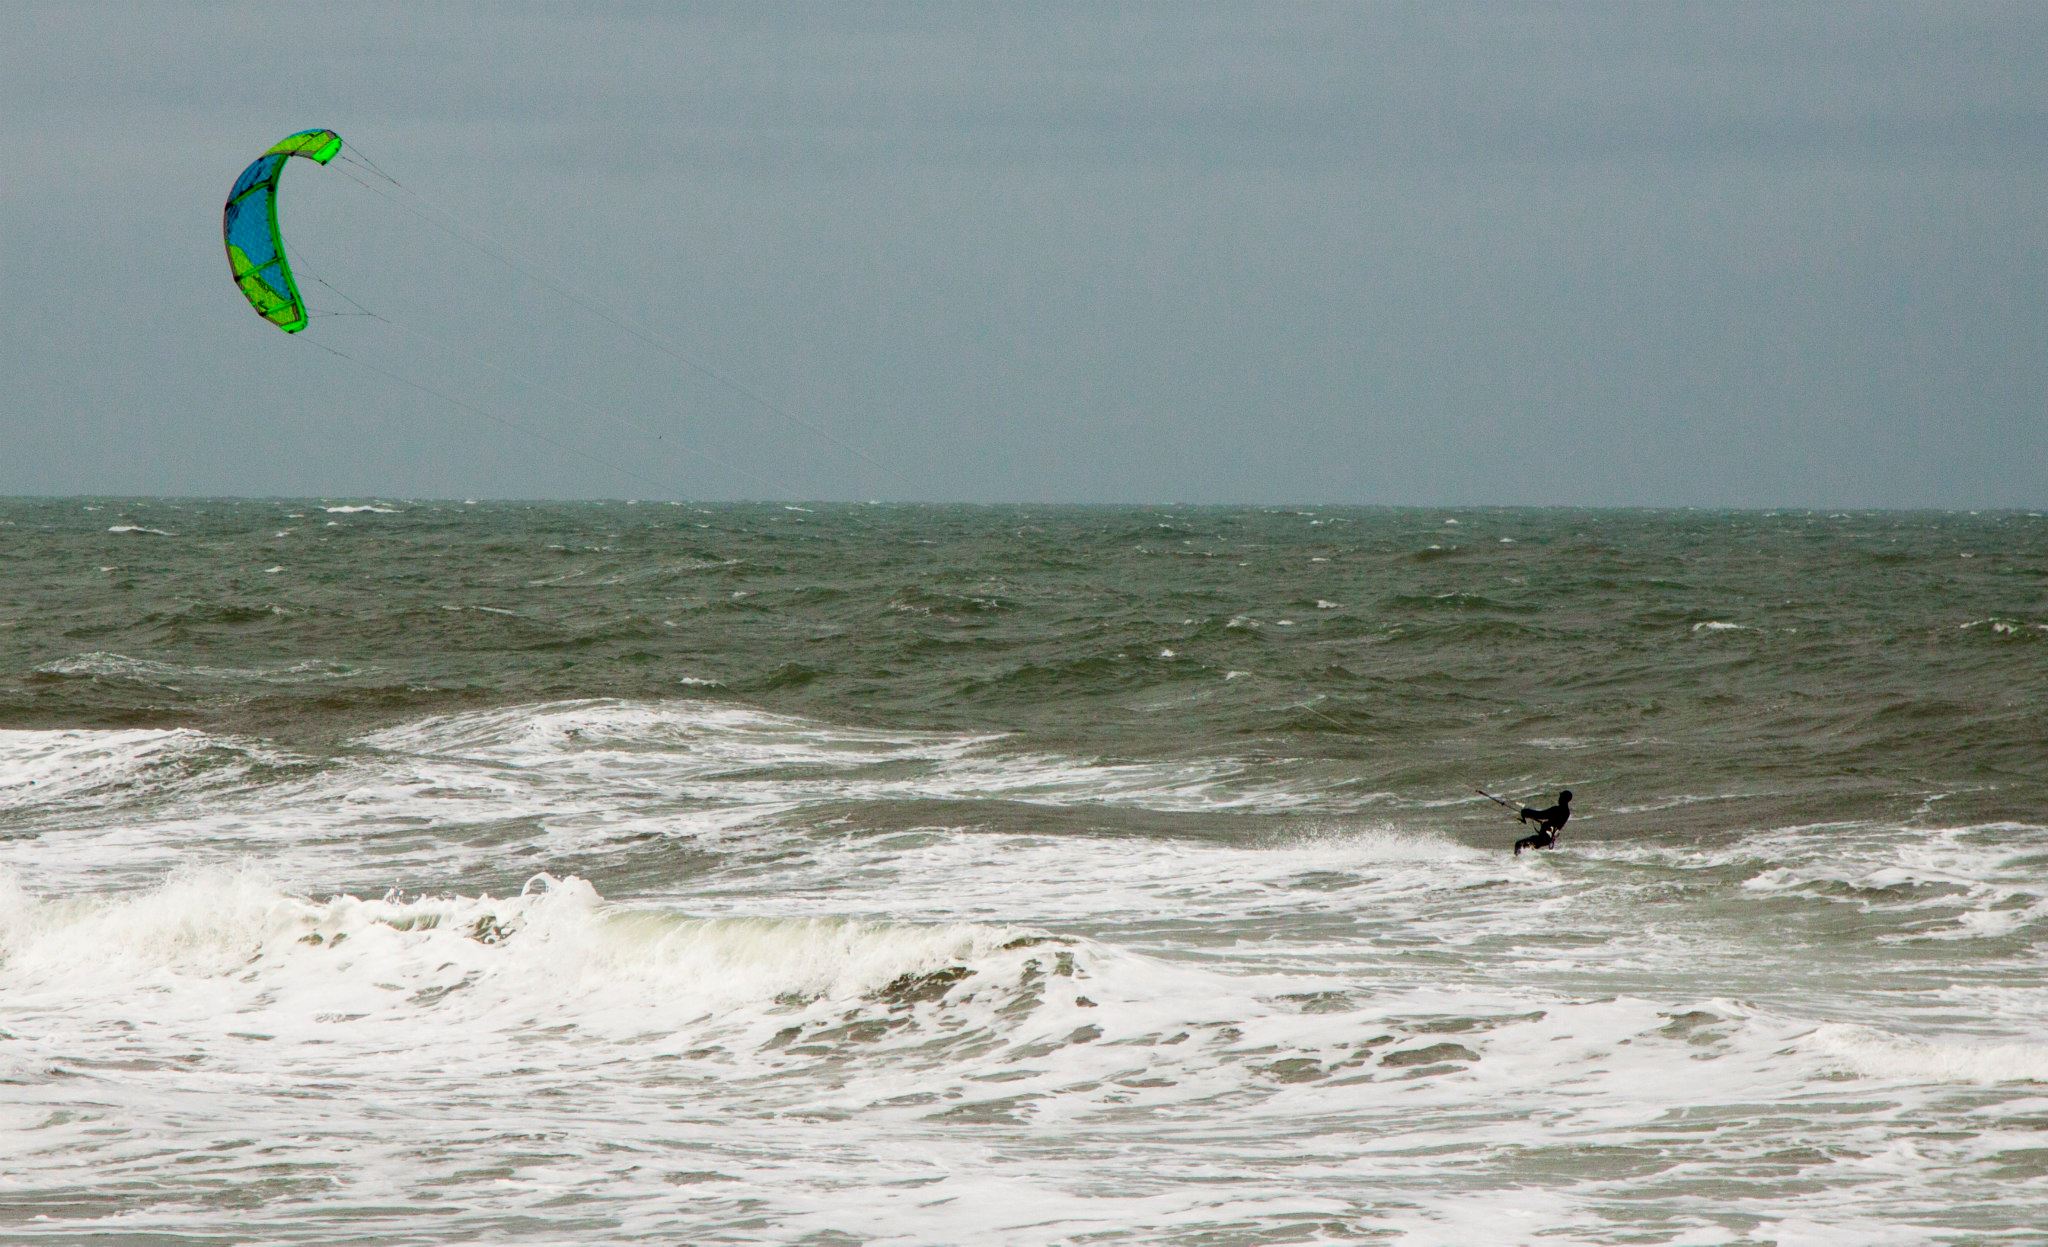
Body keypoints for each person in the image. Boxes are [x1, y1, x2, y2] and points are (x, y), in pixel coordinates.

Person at [1514, 790, 1572, 855]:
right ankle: (1524, 862)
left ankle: (1517, 863)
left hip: (1542, 838)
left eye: (1560, 796)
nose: (1559, 798)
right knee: (1526, 848)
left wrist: (1526, 811)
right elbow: (1554, 822)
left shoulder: (1556, 810)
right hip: (1548, 839)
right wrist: (1545, 823)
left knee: (1518, 844)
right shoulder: (1567, 812)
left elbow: (1540, 815)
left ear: (1563, 798)